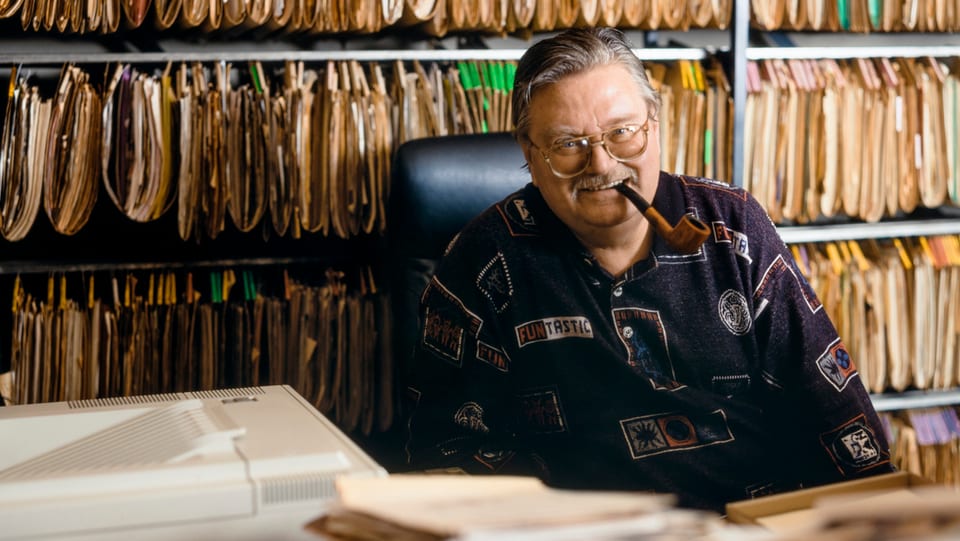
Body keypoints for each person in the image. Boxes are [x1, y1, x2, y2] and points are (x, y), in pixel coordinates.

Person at [402, 26, 894, 513]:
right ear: (531, 153)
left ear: (654, 125)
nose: (601, 162)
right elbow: (446, 451)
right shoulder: (486, 258)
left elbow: (833, 411)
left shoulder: (733, 227)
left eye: (622, 132)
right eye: (569, 144)